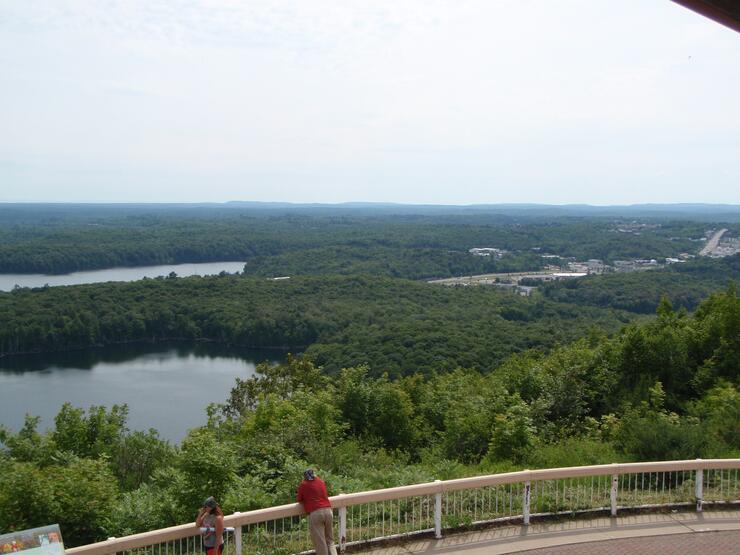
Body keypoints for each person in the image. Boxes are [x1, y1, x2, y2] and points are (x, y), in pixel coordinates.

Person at [297, 469, 336, 555]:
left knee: (320, 542)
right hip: (328, 511)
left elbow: (299, 499)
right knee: (330, 539)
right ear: (314, 474)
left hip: (316, 513)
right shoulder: (321, 481)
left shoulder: (304, 484)